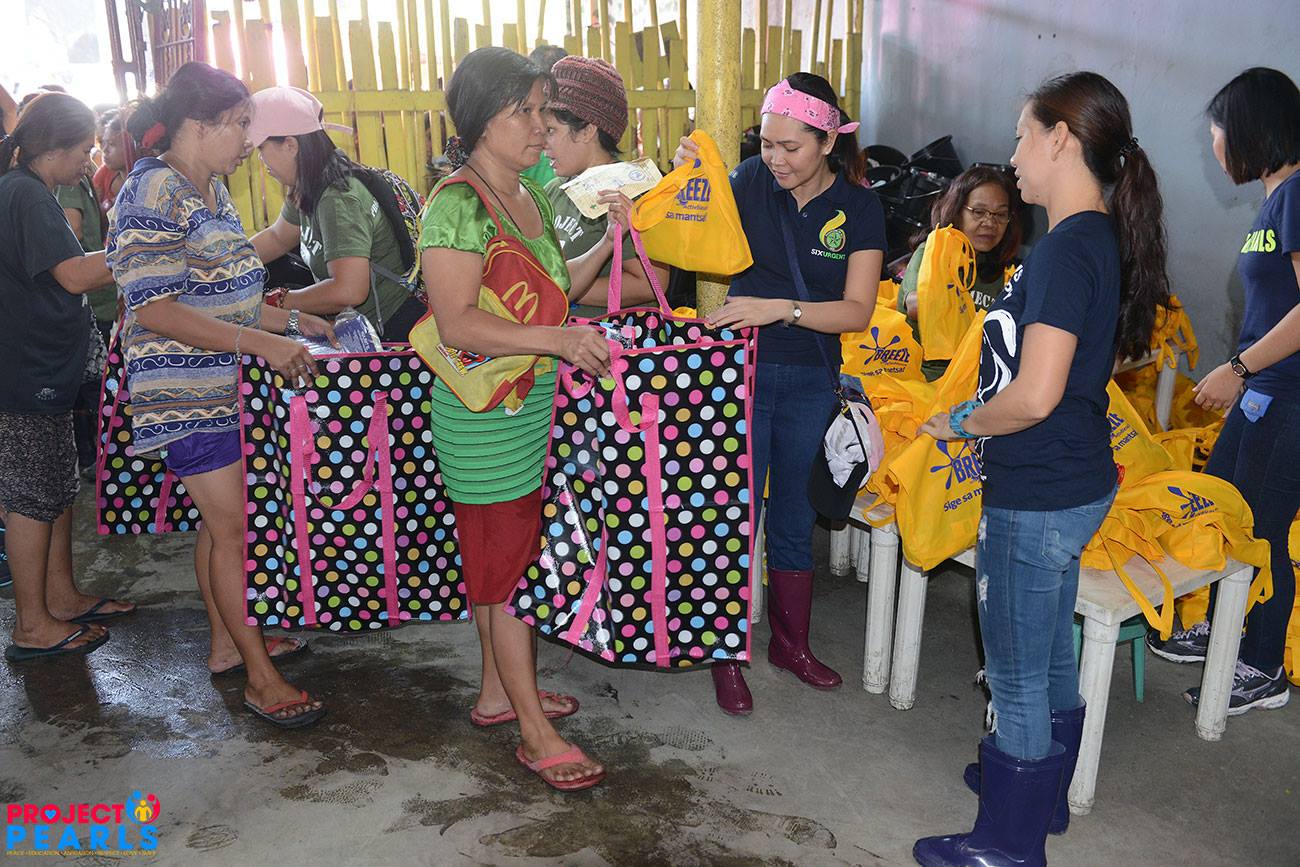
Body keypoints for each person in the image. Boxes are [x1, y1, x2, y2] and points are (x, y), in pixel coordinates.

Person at [913, 71, 1170, 866]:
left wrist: (959, 422)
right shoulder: (1093, 237)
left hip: (1037, 489)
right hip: (1075, 481)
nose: (1015, 156)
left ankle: (1007, 844)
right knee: (1051, 653)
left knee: (1017, 673)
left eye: (1024, 136)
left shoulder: (1064, 250)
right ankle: (1041, 795)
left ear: (1060, 139)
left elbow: (1033, 395)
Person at [419, 46, 630, 791]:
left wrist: (610, 240)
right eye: (527, 111)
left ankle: (496, 694)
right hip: (483, 421)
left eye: (545, 111)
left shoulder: (528, 194)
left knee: (500, 564)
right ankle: (536, 733)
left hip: (526, 407)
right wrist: (558, 342)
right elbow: (457, 323)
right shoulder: (457, 205)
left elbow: (553, 291)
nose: (543, 125)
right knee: (510, 575)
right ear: (484, 120)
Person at [107, 62, 336, 726]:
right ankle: (261, 678)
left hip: (222, 385)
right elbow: (156, 309)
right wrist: (261, 343)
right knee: (234, 530)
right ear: (197, 125)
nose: (246, 142)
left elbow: (224, 295)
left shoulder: (208, 188)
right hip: (183, 392)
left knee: (220, 528)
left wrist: (291, 321)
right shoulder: (151, 191)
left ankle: (227, 644)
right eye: (239, 126)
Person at [675, 72, 885, 715]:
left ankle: (791, 645)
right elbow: (684, 231)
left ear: (828, 142)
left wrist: (780, 308)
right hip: (740, 377)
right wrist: (683, 183)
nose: (775, 158)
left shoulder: (860, 208)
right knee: (733, 518)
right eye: (767, 143)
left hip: (810, 379)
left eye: (791, 146)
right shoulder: (746, 183)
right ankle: (725, 655)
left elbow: (856, 311)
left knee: (795, 517)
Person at [1148, 67, 1300, 715]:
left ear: (1249, 129)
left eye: (1217, 131)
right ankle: (1225, 624)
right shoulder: (1275, 198)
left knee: (1262, 526)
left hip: (1288, 393)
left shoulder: (1298, 195)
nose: (1214, 145)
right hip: (1266, 387)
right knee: (1226, 506)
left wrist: (1238, 368)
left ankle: (1263, 666)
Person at [0, 90, 136, 660]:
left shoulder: (35, 190)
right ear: (52, 147)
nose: (89, 161)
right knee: (33, 495)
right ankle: (32, 624)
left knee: (56, 487)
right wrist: (145, 249)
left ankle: (60, 596)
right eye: (83, 150)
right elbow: (76, 276)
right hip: (24, 371)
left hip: (43, 366)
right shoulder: (25, 194)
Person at [247, 86, 426, 341]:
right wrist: (227, 265)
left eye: (261, 149)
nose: (261, 161)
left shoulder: (338, 198)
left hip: (393, 334)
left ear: (290, 145)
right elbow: (278, 237)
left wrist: (281, 301)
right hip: (367, 326)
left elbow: (349, 290)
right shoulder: (309, 185)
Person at [542, 55, 666, 316]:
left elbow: (649, 284)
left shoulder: (633, 191)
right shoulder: (554, 190)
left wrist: (559, 288)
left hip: (610, 339)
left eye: (551, 131)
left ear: (588, 130)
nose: (543, 143)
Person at [898, 164, 1022, 380]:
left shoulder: (1005, 272)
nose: (990, 222)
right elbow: (916, 306)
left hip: (976, 382)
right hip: (924, 379)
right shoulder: (932, 250)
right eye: (979, 212)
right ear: (956, 211)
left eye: (1000, 214)